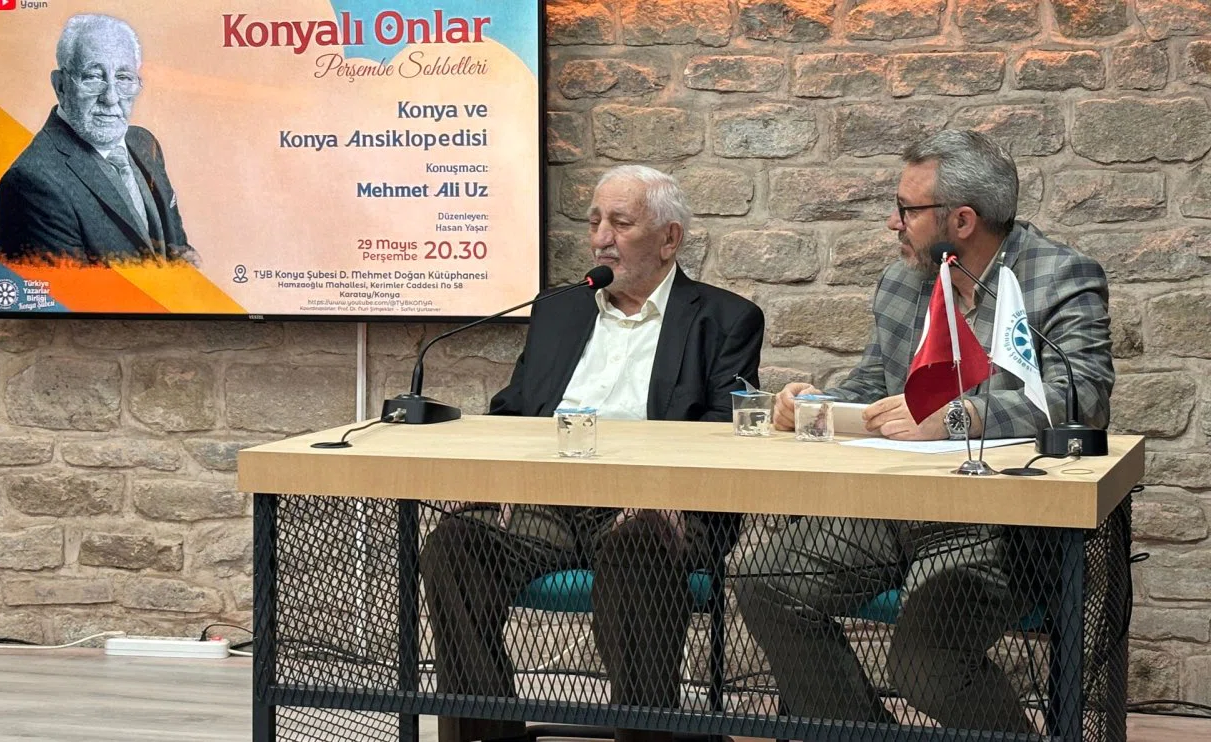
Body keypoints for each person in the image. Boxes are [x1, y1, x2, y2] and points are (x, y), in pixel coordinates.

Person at [735, 130, 1114, 732]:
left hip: (995, 523)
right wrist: (811, 405)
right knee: (762, 581)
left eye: (907, 209)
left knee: (923, 664)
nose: (894, 223)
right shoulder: (902, 281)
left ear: (962, 220)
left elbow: (1083, 399)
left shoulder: (1059, 276)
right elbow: (872, 387)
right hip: (891, 506)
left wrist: (956, 417)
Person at [420, 165, 765, 742]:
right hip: (547, 504)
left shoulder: (725, 319)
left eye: (621, 223)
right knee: (455, 546)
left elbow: (724, 427)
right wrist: (488, 481)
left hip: (659, 509)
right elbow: (513, 408)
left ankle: (645, 734)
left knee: (638, 547)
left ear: (669, 239)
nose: (601, 238)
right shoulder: (559, 311)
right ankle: (486, 734)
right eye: (595, 222)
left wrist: (660, 492)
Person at [0, 14, 200, 266]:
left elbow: (178, 251)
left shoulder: (144, 142)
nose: (111, 98)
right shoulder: (32, 183)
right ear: (60, 86)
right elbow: (70, 290)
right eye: (93, 76)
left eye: (124, 77)